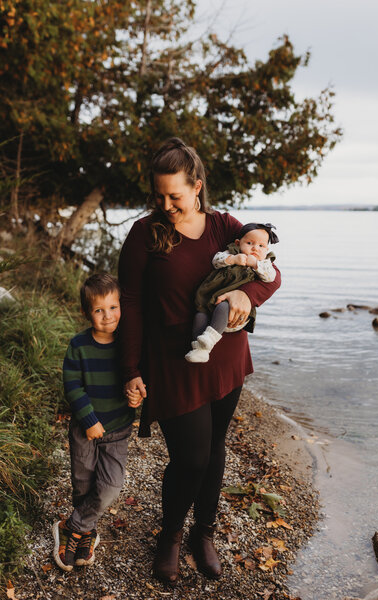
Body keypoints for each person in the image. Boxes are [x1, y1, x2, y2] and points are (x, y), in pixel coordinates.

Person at [118, 137, 281, 584]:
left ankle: (203, 533)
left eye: (175, 195)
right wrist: (130, 369)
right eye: (159, 195)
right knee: (189, 457)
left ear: (197, 186)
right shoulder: (144, 234)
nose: (166, 204)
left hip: (226, 355)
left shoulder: (226, 226)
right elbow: (129, 303)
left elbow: (272, 272)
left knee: (214, 450)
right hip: (172, 362)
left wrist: (247, 294)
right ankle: (170, 534)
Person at [52, 273, 142, 572]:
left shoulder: (128, 345)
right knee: (82, 483)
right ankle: (86, 533)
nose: (107, 316)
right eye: (99, 310)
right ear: (86, 313)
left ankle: (72, 526)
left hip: (117, 430)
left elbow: (135, 380)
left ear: (122, 306)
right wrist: (89, 419)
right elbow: (72, 385)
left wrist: (136, 397)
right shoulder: (79, 345)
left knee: (110, 487)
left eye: (113, 307)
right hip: (85, 430)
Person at [185, 222, 279, 363]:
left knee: (223, 307)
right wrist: (232, 259)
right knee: (200, 315)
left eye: (261, 246)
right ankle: (199, 349)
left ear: (266, 249)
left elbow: (271, 277)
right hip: (211, 298)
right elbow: (216, 261)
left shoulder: (264, 263)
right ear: (238, 242)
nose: (255, 248)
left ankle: (209, 339)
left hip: (233, 309)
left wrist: (255, 264)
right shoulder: (232, 252)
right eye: (249, 243)